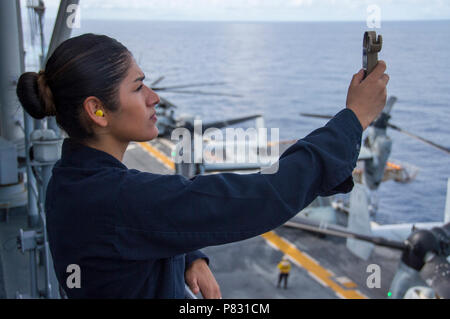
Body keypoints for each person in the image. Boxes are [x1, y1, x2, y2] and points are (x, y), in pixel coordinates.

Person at [16, 33, 389, 299]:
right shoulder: (115, 198)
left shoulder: (74, 180)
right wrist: (353, 120)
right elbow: (258, 197)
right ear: (97, 110)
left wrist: (188, 256)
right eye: (138, 87)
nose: (154, 97)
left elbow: (135, 228)